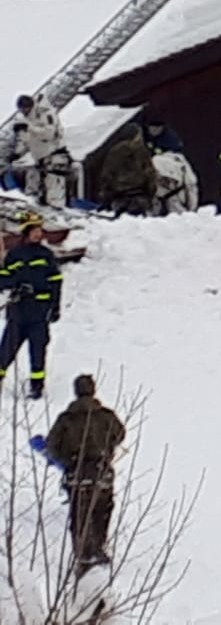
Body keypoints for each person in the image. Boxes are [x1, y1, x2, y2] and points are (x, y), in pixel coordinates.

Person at [46, 374, 125, 571]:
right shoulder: (106, 416)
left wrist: (67, 458)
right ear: (93, 390)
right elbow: (120, 434)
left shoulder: (66, 419)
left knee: (79, 513)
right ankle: (98, 548)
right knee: (102, 510)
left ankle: (83, 554)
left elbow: (52, 446)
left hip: (77, 472)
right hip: (101, 471)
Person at [0, 220, 62, 399]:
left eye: (40, 231)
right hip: (18, 311)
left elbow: (56, 282)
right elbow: (3, 279)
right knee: (6, 350)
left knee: (38, 351)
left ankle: (37, 386)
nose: (38, 234)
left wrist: (55, 307)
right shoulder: (15, 254)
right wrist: (16, 285)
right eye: (35, 231)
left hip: (39, 312)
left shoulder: (46, 255)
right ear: (26, 233)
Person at [15, 95, 70, 209]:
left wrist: (29, 128)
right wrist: (17, 153)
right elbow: (26, 141)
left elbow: (50, 134)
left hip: (54, 152)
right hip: (39, 156)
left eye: (25, 108)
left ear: (31, 106)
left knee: (53, 181)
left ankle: (56, 207)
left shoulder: (46, 114)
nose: (24, 111)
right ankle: (34, 204)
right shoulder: (24, 120)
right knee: (33, 182)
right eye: (21, 109)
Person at [99, 123, 157, 215]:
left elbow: (106, 176)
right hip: (139, 197)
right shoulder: (142, 151)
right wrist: (150, 194)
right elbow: (150, 174)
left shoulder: (113, 152)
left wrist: (106, 197)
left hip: (118, 197)